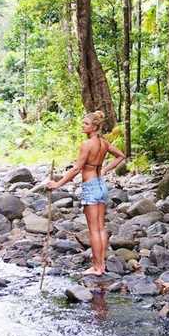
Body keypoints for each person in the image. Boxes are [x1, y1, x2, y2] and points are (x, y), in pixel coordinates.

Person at [46, 110, 126, 275]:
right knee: (101, 228)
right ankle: (101, 265)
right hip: (101, 185)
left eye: (86, 124)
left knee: (94, 230)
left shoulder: (86, 144)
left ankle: (97, 267)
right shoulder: (104, 143)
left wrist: (57, 184)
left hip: (90, 187)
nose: (83, 126)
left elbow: (76, 169)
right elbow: (121, 156)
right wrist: (104, 169)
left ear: (95, 126)